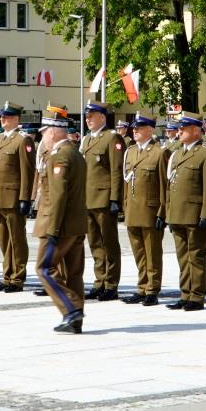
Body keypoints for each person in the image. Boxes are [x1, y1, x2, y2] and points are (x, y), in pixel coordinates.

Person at [34, 105, 87, 333]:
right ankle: (75, 321)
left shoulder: (60, 156)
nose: (43, 137)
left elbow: (58, 196)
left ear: (55, 131)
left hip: (59, 225)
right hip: (76, 223)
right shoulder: (75, 153)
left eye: (45, 132)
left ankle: (72, 309)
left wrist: (53, 230)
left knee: (44, 268)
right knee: (73, 273)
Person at [164, 112, 206, 311]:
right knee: (183, 257)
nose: (180, 131)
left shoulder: (205, 154)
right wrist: (168, 213)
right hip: (177, 214)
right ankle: (185, 293)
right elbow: (170, 186)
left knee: (196, 256)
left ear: (195, 130)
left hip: (194, 214)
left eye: (183, 128)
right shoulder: (177, 154)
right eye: (180, 128)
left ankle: (197, 296)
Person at [120, 112, 170, 306]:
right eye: (134, 128)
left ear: (150, 130)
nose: (135, 131)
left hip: (150, 210)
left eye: (139, 128)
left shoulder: (159, 152)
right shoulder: (130, 151)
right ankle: (142, 287)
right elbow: (126, 182)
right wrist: (125, 206)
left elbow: (164, 185)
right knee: (139, 252)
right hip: (133, 209)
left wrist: (162, 212)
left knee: (152, 253)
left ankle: (152, 289)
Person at [0, 101, 36, 293]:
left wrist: (25, 198)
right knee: (4, 239)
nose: (3, 119)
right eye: (2, 116)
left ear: (16, 119)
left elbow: (27, 171)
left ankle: (17, 277)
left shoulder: (22, 140)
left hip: (13, 197)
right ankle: (7, 275)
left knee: (16, 239)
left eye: (7, 117)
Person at [81, 102, 125, 301]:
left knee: (109, 243)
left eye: (92, 116)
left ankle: (111, 284)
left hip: (104, 199)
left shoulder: (111, 137)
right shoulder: (87, 139)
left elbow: (116, 170)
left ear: (102, 117)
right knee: (95, 243)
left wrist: (115, 198)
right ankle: (99, 281)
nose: (88, 119)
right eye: (87, 116)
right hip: (88, 199)